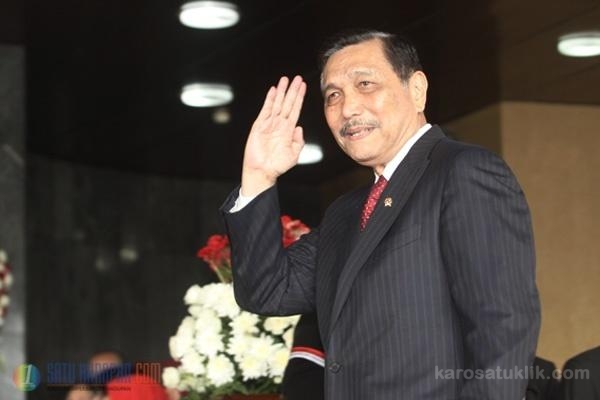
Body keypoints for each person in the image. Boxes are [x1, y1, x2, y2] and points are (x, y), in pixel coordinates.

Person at [221, 30, 540, 399]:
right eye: (333, 95)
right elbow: (267, 291)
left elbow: (503, 328)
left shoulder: (462, 172)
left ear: (417, 90)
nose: (348, 108)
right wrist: (259, 176)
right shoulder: (345, 212)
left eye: (365, 84)